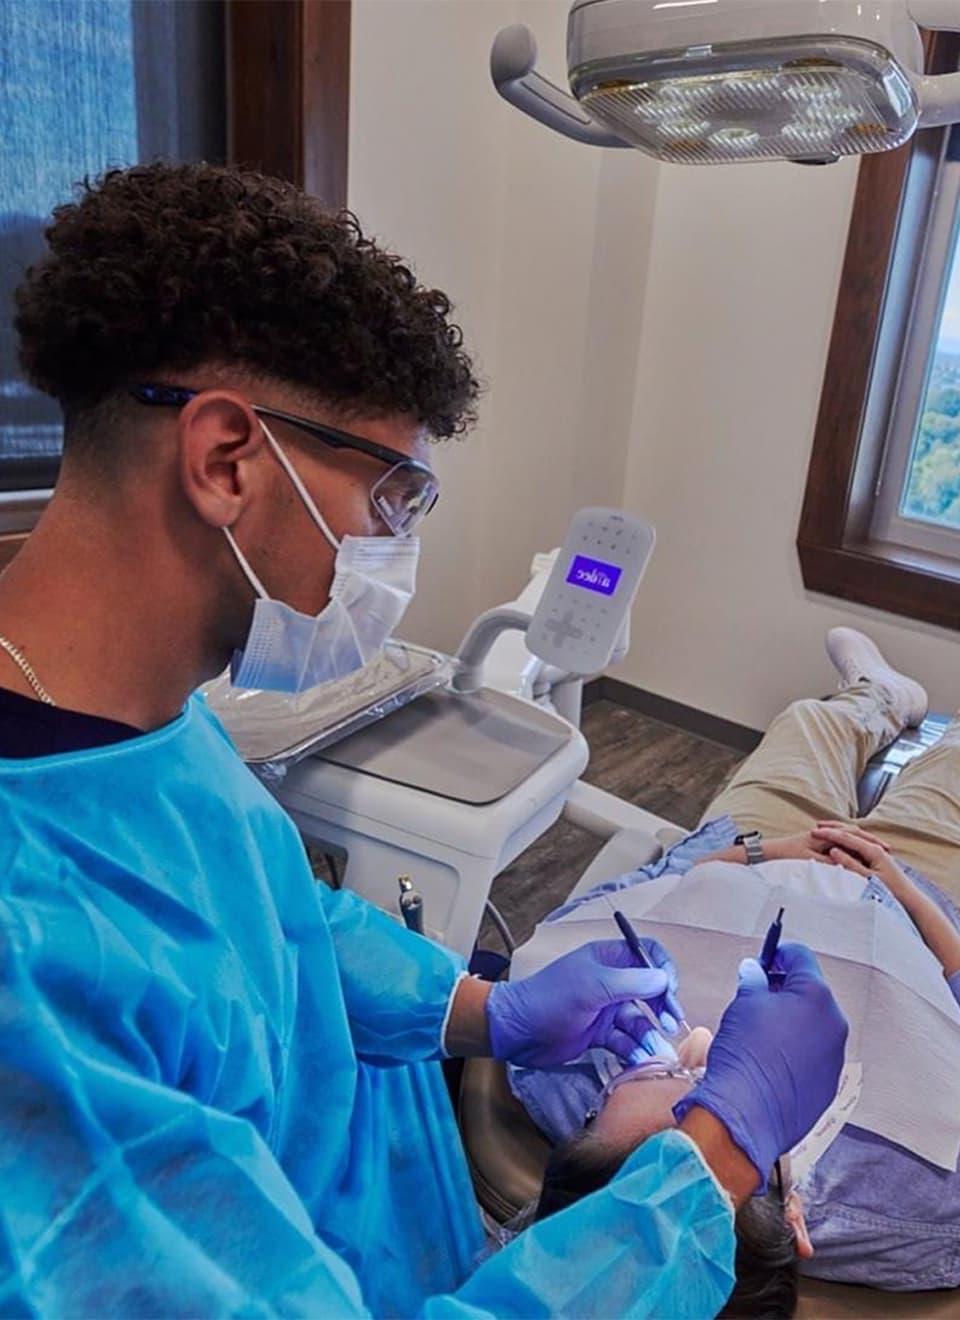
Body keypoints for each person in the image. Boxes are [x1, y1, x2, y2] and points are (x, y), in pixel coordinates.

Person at [0, 161, 846, 1317]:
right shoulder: (29, 971)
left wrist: (484, 1012)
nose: (398, 552)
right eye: (395, 500)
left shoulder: (137, 720)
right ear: (225, 460)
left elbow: (274, 938)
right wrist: (719, 1160)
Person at [510, 626, 960, 1298]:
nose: (696, 1037)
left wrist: (759, 852)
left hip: (751, 854)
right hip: (913, 893)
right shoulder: (916, 1203)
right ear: (793, 1218)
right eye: (710, 1101)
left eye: (662, 1063)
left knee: (807, 725)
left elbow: (627, 894)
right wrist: (898, 885)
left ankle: (877, 696)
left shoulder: (562, 1068)